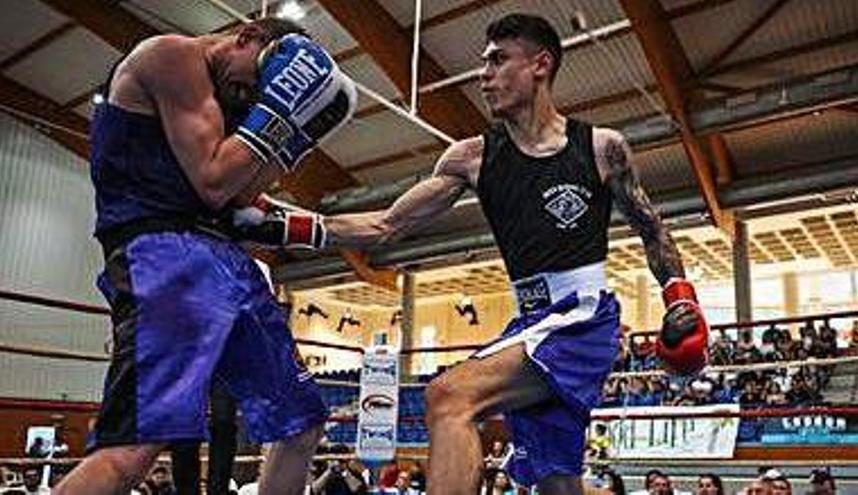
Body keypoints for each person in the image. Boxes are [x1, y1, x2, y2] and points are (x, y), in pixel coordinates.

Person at [238, 12, 708, 495]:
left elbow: (652, 228)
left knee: (448, 398)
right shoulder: (471, 158)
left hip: (582, 318)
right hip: (532, 323)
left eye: (499, 61)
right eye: (485, 63)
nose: (484, 75)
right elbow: (385, 225)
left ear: (541, 65)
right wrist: (281, 225)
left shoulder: (602, 148)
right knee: (557, 482)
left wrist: (680, 298)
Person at [53, 16, 356, 495]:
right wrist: (280, 113)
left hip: (227, 261)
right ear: (248, 37)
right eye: (256, 80)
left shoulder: (229, 101)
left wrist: (297, 132)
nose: (250, 93)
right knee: (133, 450)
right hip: (164, 254)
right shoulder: (169, 55)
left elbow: (240, 195)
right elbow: (214, 182)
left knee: (300, 424)